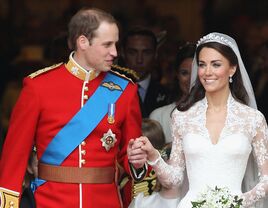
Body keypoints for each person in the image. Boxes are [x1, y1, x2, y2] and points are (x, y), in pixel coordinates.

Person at [0, 8, 146, 208]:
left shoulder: (125, 91)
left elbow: (130, 158)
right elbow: (14, 157)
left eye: (115, 44)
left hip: (104, 202)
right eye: (107, 45)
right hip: (49, 202)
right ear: (83, 42)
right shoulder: (38, 86)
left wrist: (137, 162)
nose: (115, 52)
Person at [129, 32, 268, 208]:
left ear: (232, 68)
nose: (207, 72)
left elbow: (266, 179)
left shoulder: (253, 119)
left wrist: (236, 202)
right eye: (202, 65)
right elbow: (175, 179)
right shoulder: (182, 116)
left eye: (216, 64)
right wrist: (154, 156)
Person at [150, 42, 196, 143]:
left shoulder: (217, 114)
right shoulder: (159, 116)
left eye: (195, 73)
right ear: (176, 74)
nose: (190, 80)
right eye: (184, 73)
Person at [121, 26, 170, 118]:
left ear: (155, 55)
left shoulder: (168, 95)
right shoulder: (110, 91)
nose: (139, 60)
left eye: (146, 53)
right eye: (133, 52)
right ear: (123, 54)